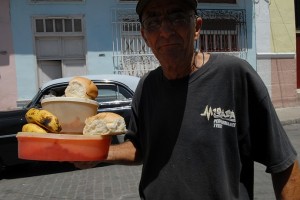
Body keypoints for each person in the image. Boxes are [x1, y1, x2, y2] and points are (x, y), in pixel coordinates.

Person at [75, 0, 300, 199]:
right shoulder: (147, 87)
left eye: (176, 16)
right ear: (145, 35)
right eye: (153, 21)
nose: (165, 30)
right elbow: (140, 147)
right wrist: (99, 153)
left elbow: (284, 164)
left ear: (197, 28)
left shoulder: (234, 76)